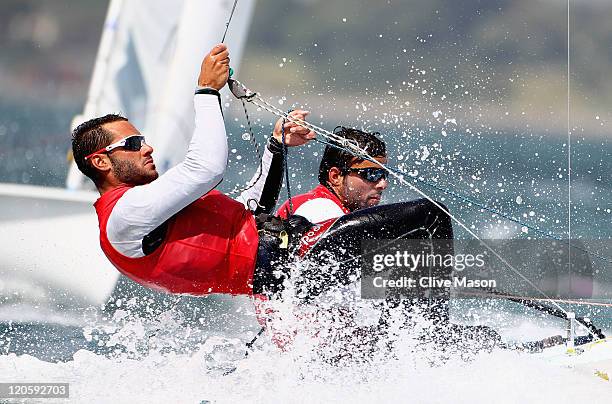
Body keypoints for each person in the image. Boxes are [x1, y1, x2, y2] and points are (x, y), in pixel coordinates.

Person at [72, 43, 454, 317]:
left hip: (291, 262)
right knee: (430, 217)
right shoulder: (124, 217)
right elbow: (206, 168)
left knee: (407, 245)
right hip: (292, 267)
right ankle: (429, 333)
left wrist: (277, 145)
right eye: (134, 143)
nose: (148, 147)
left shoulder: (151, 206)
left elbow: (252, 210)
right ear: (101, 161)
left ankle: (406, 329)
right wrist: (206, 91)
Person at [277, 127, 388, 222]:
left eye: (384, 174)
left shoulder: (338, 209)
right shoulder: (320, 209)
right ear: (335, 176)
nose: (383, 184)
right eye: (372, 174)